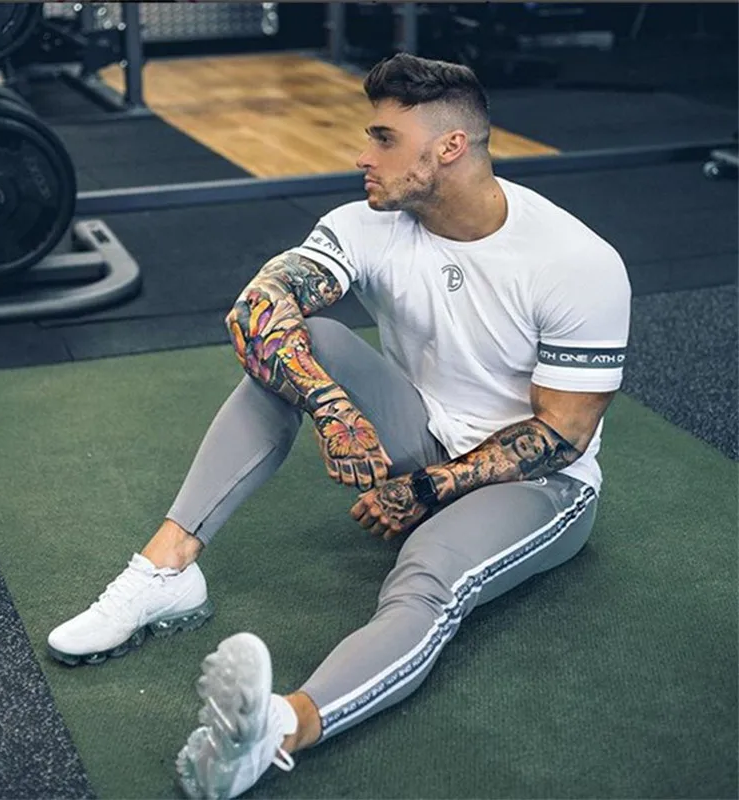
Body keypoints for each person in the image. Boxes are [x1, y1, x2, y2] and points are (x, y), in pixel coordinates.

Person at [48, 53, 631, 798]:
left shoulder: (576, 261)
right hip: (421, 433)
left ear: (449, 147)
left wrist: (425, 491)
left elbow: (563, 434)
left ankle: (278, 729)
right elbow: (256, 309)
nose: (363, 155)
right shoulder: (368, 222)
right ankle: (168, 570)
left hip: (539, 484)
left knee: (427, 577)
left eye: (384, 138)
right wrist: (333, 408)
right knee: (304, 342)